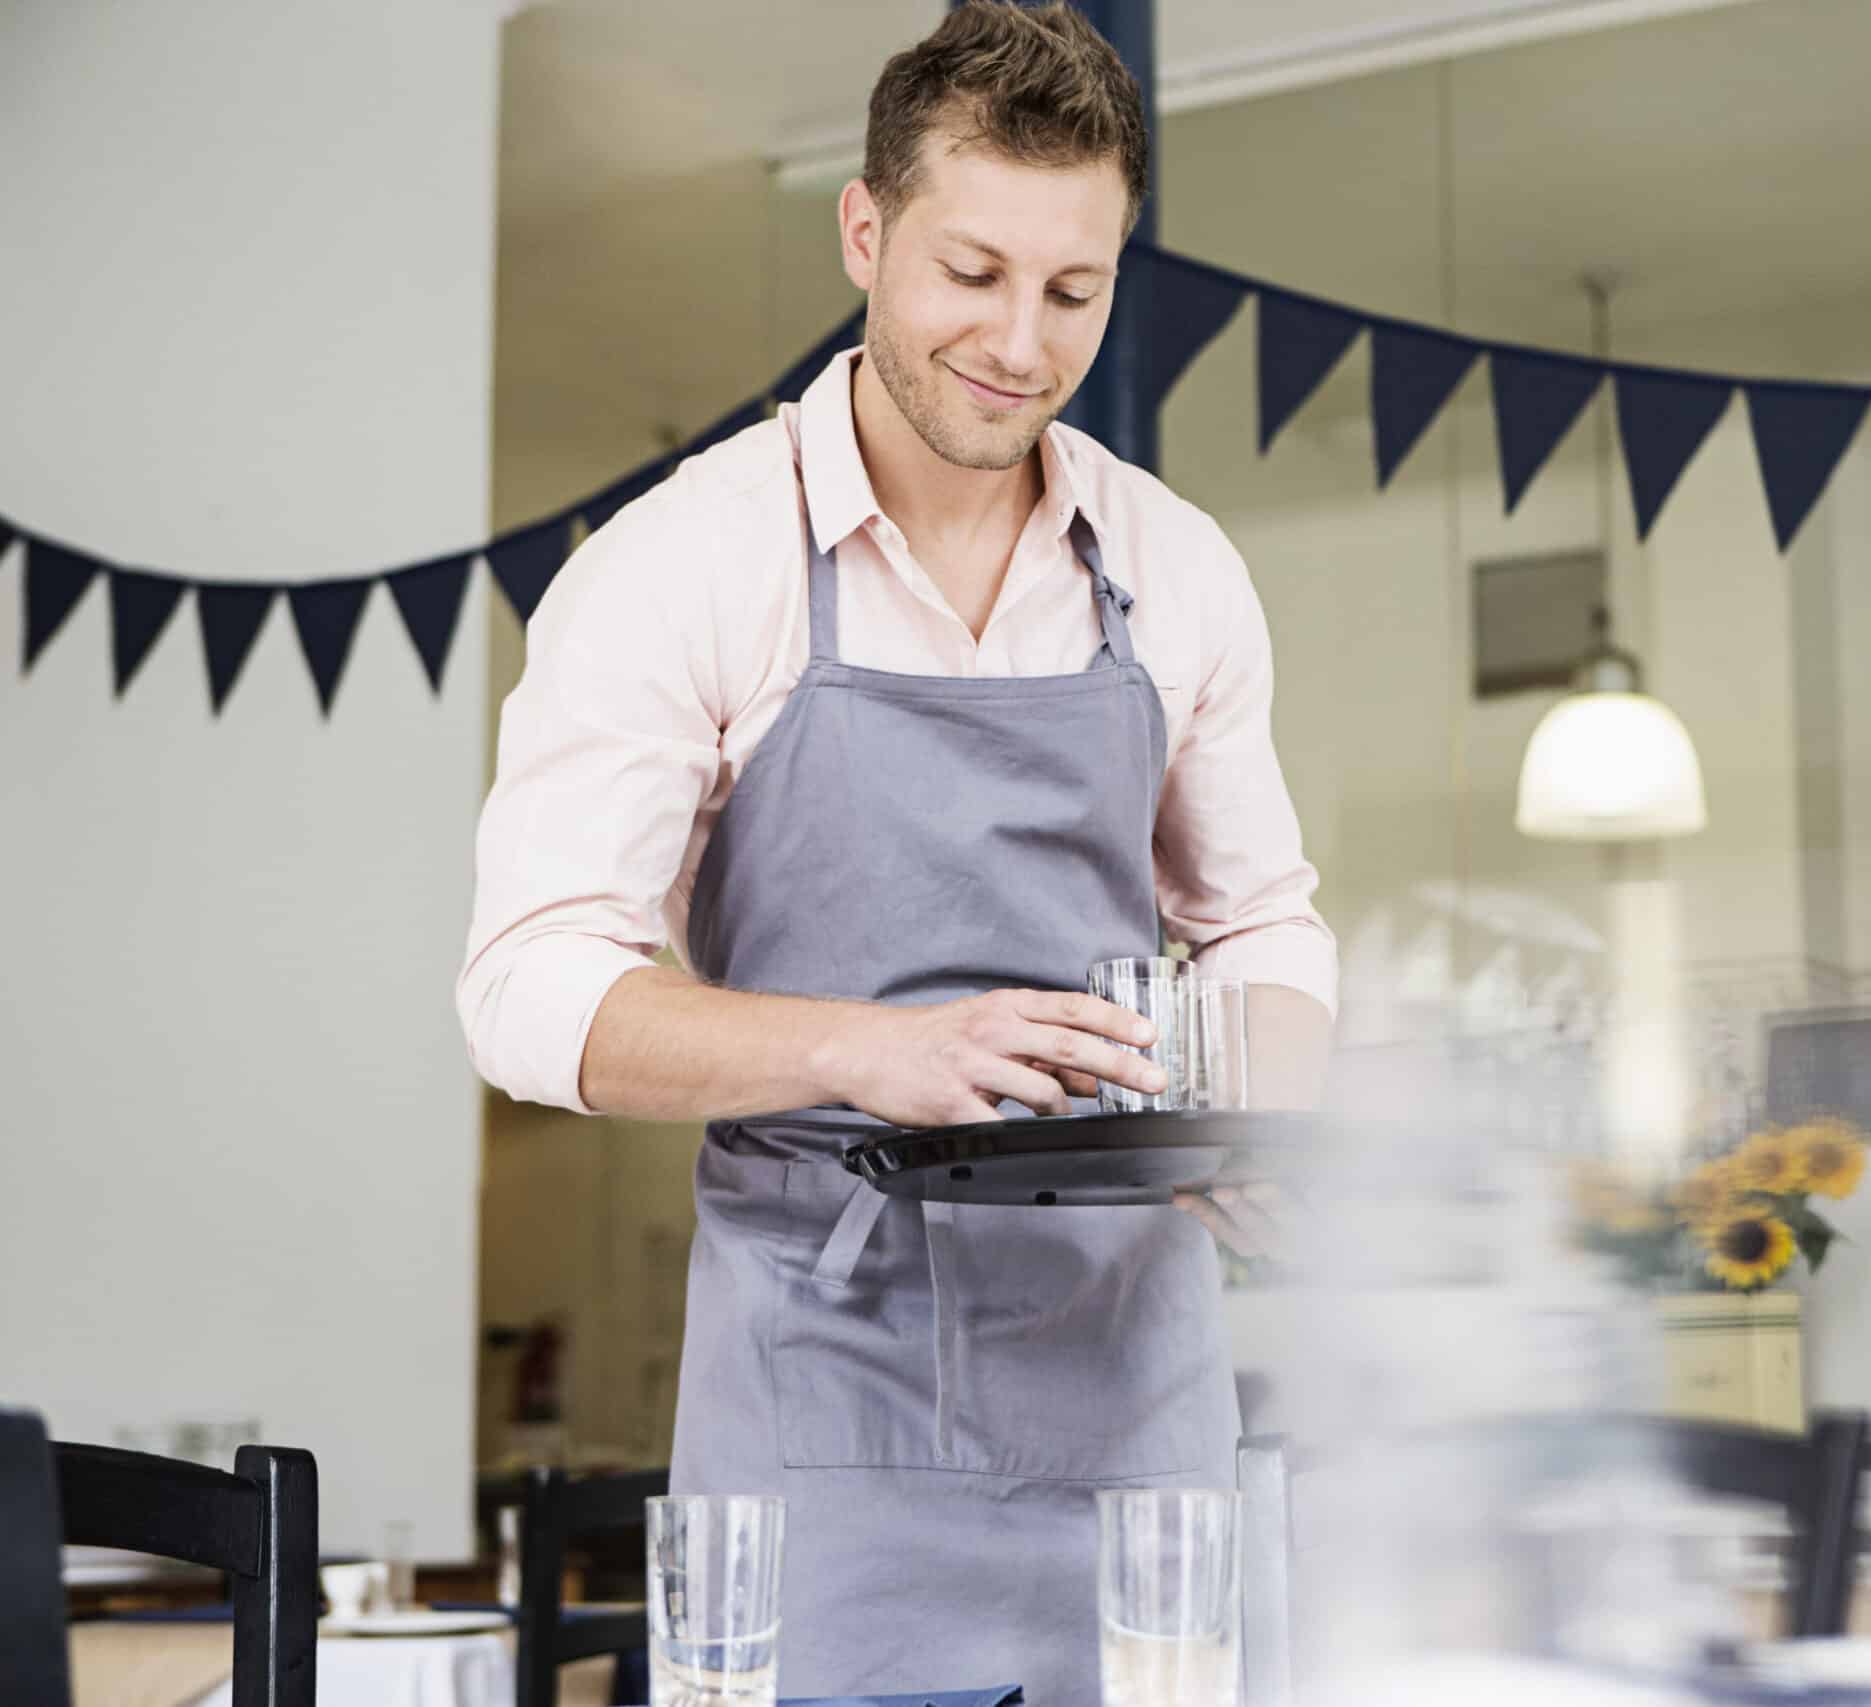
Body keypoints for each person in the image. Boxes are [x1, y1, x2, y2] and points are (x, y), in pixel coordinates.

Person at [454, 5, 1337, 1700]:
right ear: (865, 233)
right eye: (972, 272)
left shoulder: (1177, 566)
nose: (1021, 340)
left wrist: (1264, 1104)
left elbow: (1261, 927)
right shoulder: (684, 566)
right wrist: (875, 1049)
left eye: (1075, 291)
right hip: (828, 1388)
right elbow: (529, 990)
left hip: (1139, 1388)